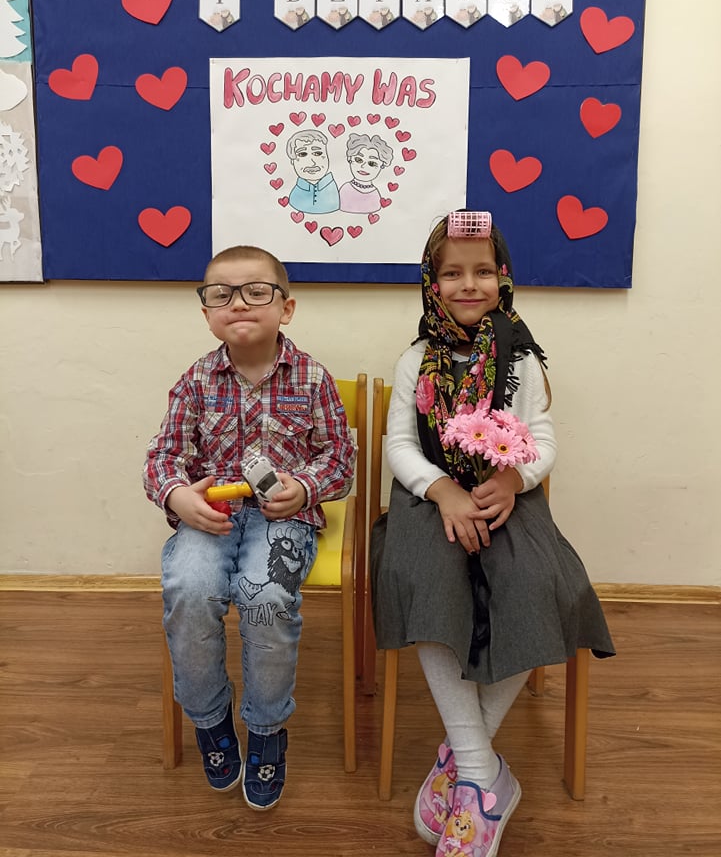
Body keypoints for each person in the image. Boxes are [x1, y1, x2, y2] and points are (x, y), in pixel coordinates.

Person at [371, 212, 614, 857]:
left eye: (482, 271)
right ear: (432, 283)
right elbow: (399, 444)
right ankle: (482, 778)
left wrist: (514, 478)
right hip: (429, 496)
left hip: (506, 497)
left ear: (502, 278)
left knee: (539, 585)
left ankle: (464, 758)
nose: (468, 284)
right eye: (452, 273)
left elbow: (543, 438)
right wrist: (440, 489)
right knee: (424, 578)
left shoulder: (521, 360)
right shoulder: (416, 360)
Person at [144, 245, 356, 809]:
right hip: (212, 517)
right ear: (207, 312)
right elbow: (163, 455)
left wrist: (304, 487)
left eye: (256, 292)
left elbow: (340, 459)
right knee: (190, 589)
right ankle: (210, 719)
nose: (238, 303)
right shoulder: (196, 380)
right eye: (222, 294)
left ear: (286, 308)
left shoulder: (312, 378)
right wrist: (177, 495)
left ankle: (265, 728)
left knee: (264, 598)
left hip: (283, 518)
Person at [286, 129, 340, 215]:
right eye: (302, 154)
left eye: (317, 153)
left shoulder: (336, 193)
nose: (312, 162)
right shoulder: (294, 196)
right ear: (292, 161)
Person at [338, 133, 393, 214]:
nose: (363, 166)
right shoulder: (345, 190)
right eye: (358, 160)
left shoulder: (375, 195)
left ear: (381, 166)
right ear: (350, 159)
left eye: (372, 163)